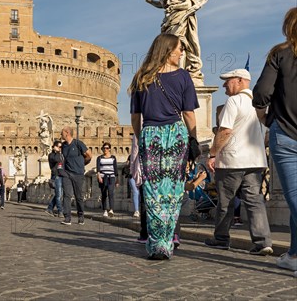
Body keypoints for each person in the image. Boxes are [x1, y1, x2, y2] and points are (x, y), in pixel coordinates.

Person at [130, 33, 199, 260]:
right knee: (173, 190)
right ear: (168, 51)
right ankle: (166, 242)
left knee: (152, 192)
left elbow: (135, 116)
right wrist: (194, 138)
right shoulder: (183, 77)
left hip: (151, 136)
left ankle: (156, 242)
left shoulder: (141, 77)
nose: (181, 53)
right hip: (175, 135)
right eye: (179, 49)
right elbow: (188, 113)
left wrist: (143, 138)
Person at [203, 68, 273, 255]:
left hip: (232, 162)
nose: (225, 84)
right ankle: (262, 242)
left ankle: (221, 239)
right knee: (255, 202)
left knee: (225, 201)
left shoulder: (234, 101)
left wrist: (212, 153)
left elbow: (225, 131)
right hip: (255, 160)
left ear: (241, 81)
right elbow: (265, 134)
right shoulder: (259, 104)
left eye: (228, 81)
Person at [253, 7, 297, 271]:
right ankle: (293, 255)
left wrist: (266, 119)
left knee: (294, 197)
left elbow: (260, 94)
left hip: (286, 135)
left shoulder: (279, 53)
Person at [60, 126, 91, 226]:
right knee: (67, 195)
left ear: (67, 133)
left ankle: (81, 216)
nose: (61, 135)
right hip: (67, 174)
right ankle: (67, 218)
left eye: (62, 133)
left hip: (78, 174)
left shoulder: (78, 144)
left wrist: (82, 164)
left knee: (79, 197)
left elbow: (89, 155)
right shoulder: (63, 146)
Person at [97, 142, 118, 217]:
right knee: (104, 194)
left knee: (111, 192)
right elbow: (98, 169)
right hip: (103, 177)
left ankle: (111, 209)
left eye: (107, 148)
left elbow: (115, 169)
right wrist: (99, 176)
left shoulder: (113, 158)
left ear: (109, 149)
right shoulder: (99, 158)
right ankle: (105, 210)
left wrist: (117, 179)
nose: (105, 149)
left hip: (111, 177)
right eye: (104, 148)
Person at [45, 141, 64, 217]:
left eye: (61, 147)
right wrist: (56, 151)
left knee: (58, 195)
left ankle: (49, 209)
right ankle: (60, 211)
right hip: (56, 176)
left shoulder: (61, 155)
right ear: (54, 147)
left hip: (62, 175)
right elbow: (56, 160)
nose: (60, 148)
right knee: (58, 195)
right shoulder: (51, 155)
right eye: (59, 147)